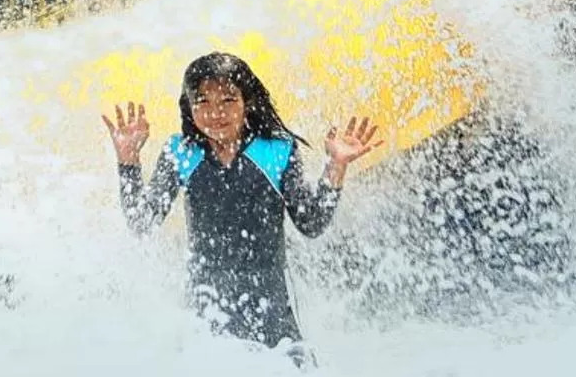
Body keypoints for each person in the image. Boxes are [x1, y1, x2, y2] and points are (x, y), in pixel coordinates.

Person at [103, 52, 381, 353]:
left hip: (273, 316)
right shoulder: (180, 152)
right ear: (189, 107)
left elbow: (311, 222)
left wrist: (336, 166)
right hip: (206, 314)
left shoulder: (276, 149)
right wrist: (128, 161)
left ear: (247, 103)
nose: (215, 112)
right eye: (203, 101)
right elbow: (141, 221)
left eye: (227, 100)